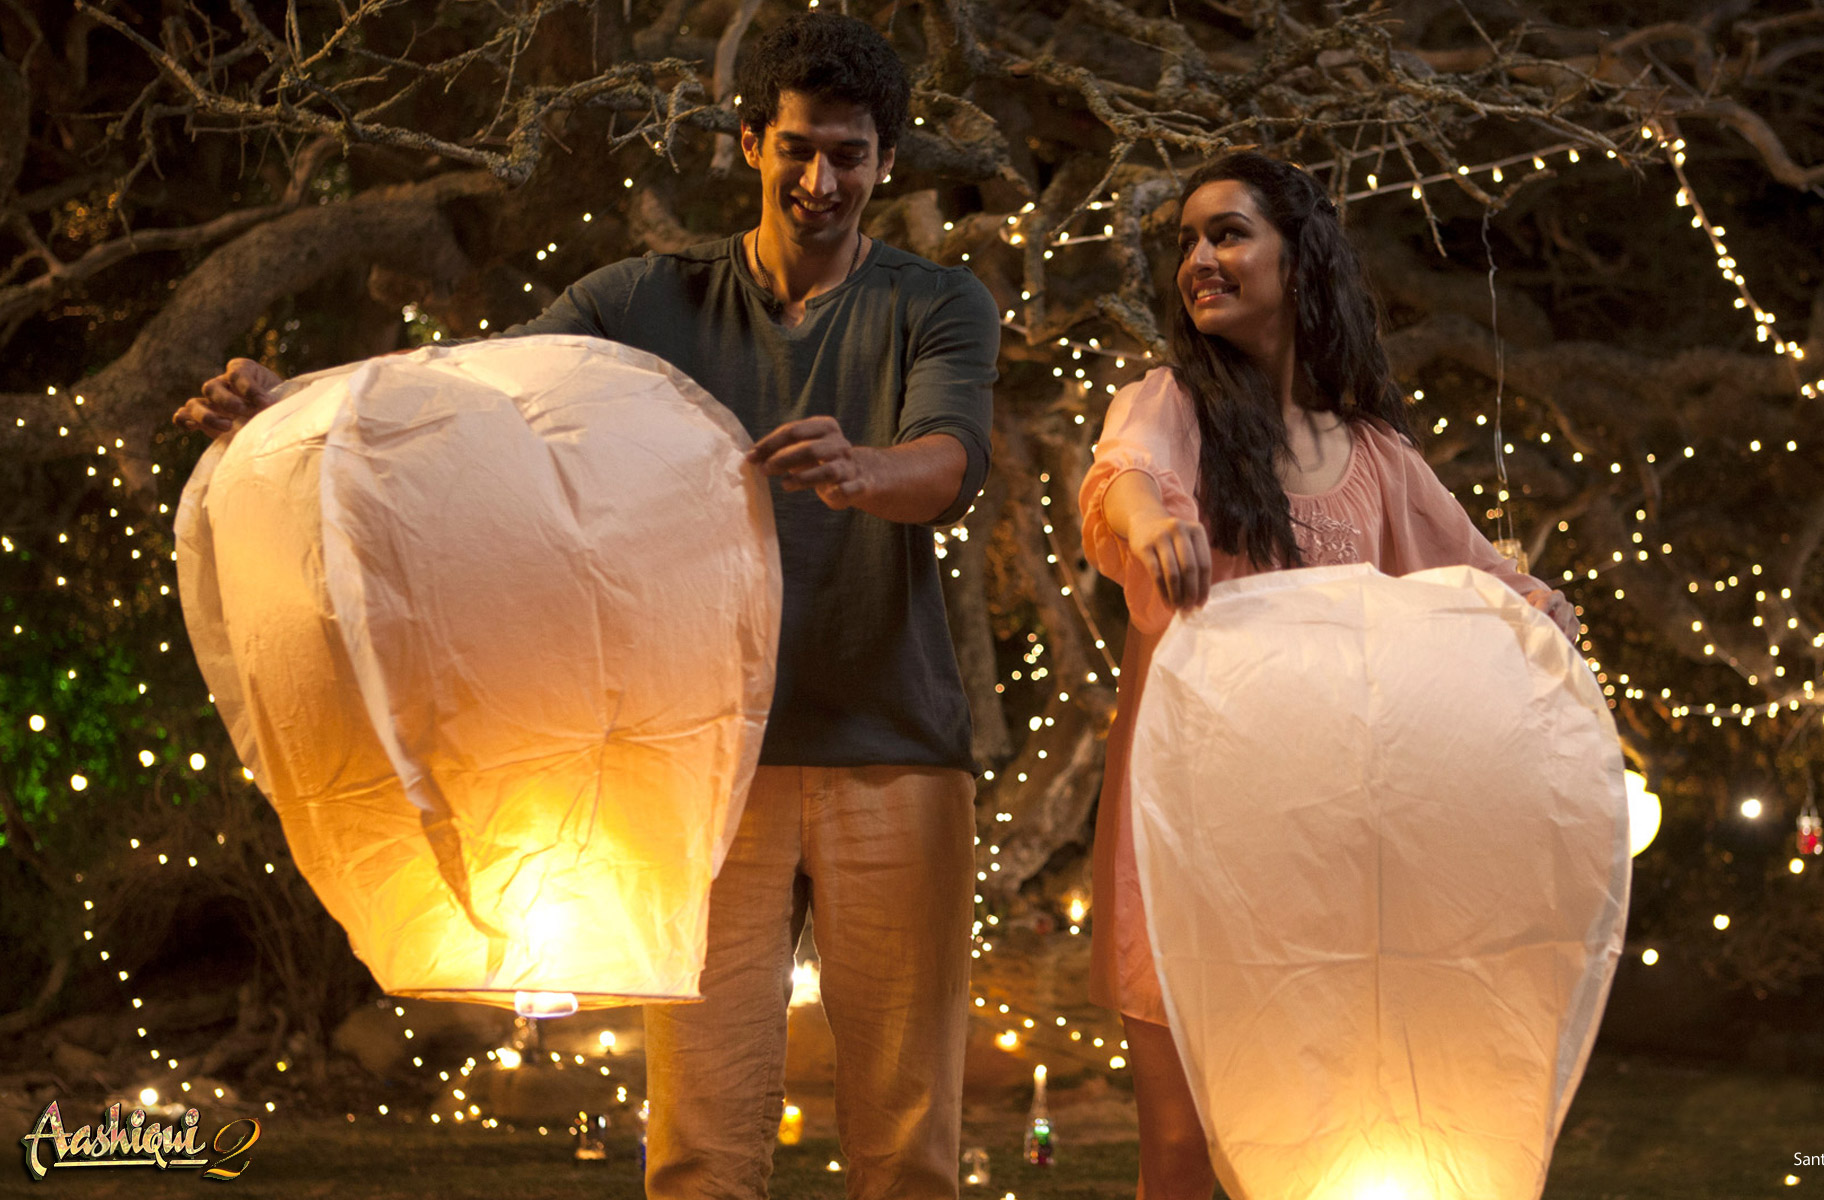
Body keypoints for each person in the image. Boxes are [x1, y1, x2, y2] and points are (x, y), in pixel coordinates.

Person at [175, 15, 998, 1200]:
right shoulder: (646, 298)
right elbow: (475, 392)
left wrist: (865, 468)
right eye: (799, 149)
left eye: (851, 156)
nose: (822, 182)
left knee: (909, 1140)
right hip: (703, 765)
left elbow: (950, 460)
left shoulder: (938, 301)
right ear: (751, 142)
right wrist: (289, 397)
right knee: (702, 1141)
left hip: (895, 747)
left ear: (887, 161)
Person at [1076, 151, 1579, 1200]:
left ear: (1299, 259)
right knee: (1182, 1148)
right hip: (1188, 831)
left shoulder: (1376, 458)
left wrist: (1545, 616)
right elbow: (1125, 474)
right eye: (1187, 241)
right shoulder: (1173, 404)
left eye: (1227, 233)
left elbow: (1482, 580)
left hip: (1323, 851)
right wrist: (1154, 519)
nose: (1198, 259)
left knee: (1312, 1141)